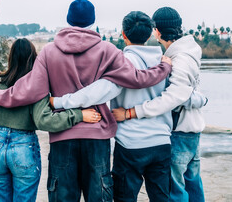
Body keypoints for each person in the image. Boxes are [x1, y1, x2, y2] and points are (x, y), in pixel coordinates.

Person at [0, 0, 172, 202]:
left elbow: (29, 88)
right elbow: (138, 79)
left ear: (68, 19)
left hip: (62, 138)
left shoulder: (49, 52)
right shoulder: (108, 51)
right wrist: (164, 67)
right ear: (93, 20)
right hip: (97, 138)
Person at [51, 11, 207, 202]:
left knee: (124, 198)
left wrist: (60, 101)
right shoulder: (166, 61)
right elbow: (182, 94)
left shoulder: (121, 62)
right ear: (151, 34)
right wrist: (202, 99)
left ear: (124, 34)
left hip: (130, 145)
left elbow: (100, 91)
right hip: (161, 144)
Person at [0, 38, 101, 202]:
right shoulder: (36, 85)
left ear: (11, 57)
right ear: (34, 57)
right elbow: (45, 121)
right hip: (23, 147)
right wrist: (79, 115)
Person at [113, 7, 206, 202]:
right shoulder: (172, 57)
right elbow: (188, 94)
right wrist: (201, 99)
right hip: (178, 135)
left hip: (175, 132)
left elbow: (175, 96)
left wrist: (130, 112)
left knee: (177, 190)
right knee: (190, 185)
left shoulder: (175, 59)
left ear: (156, 31)